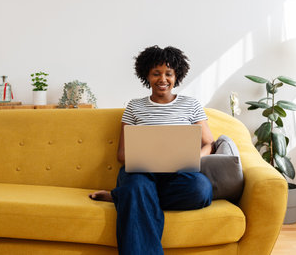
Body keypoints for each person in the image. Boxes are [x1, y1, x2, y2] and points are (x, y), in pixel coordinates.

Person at [89, 45, 214, 255]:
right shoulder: (134, 107)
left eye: (168, 74)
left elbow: (209, 144)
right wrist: (146, 157)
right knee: (137, 187)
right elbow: (121, 154)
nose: (162, 79)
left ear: (177, 76)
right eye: (156, 73)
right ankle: (130, 194)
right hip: (141, 173)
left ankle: (123, 196)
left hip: (179, 174)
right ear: (146, 75)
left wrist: (192, 157)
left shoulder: (190, 105)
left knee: (200, 190)